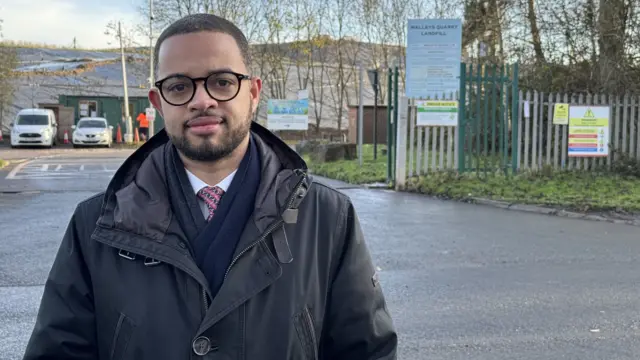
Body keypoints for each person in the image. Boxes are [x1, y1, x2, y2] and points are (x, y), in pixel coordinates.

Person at [22, 13, 397, 360]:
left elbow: (366, 351)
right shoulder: (97, 226)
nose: (202, 101)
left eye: (221, 82)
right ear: (158, 102)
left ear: (253, 93)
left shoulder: (327, 218)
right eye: (179, 86)